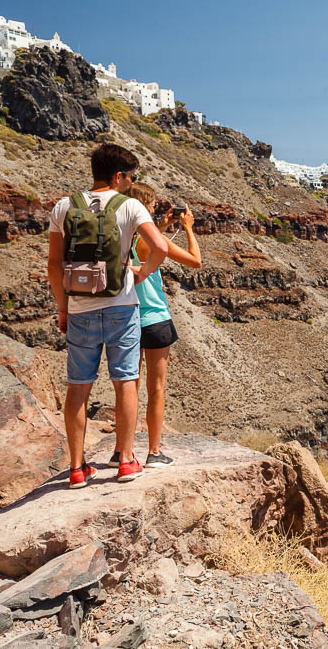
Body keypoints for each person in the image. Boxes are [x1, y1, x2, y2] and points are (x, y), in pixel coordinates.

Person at [48, 144, 168, 488]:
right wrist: (141, 274)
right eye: (130, 177)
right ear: (118, 175)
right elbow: (159, 247)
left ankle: (76, 468)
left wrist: (62, 307)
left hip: (80, 308)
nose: (131, 183)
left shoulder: (64, 205)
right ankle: (127, 461)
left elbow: (54, 265)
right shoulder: (129, 205)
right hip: (121, 306)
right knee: (125, 380)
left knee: (78, 387)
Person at [106, 182, 201, 469]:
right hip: (154, 318)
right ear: (142, 206)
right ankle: (155, 452)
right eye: (151, 206)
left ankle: (121, 452)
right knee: (156, 388)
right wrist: (187, 228)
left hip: (123, 316)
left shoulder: (118, 236)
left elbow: (141, 238)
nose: (152, 211)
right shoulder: (155, 240)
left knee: (127, 387)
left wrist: (160, 223)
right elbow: (195, 261)